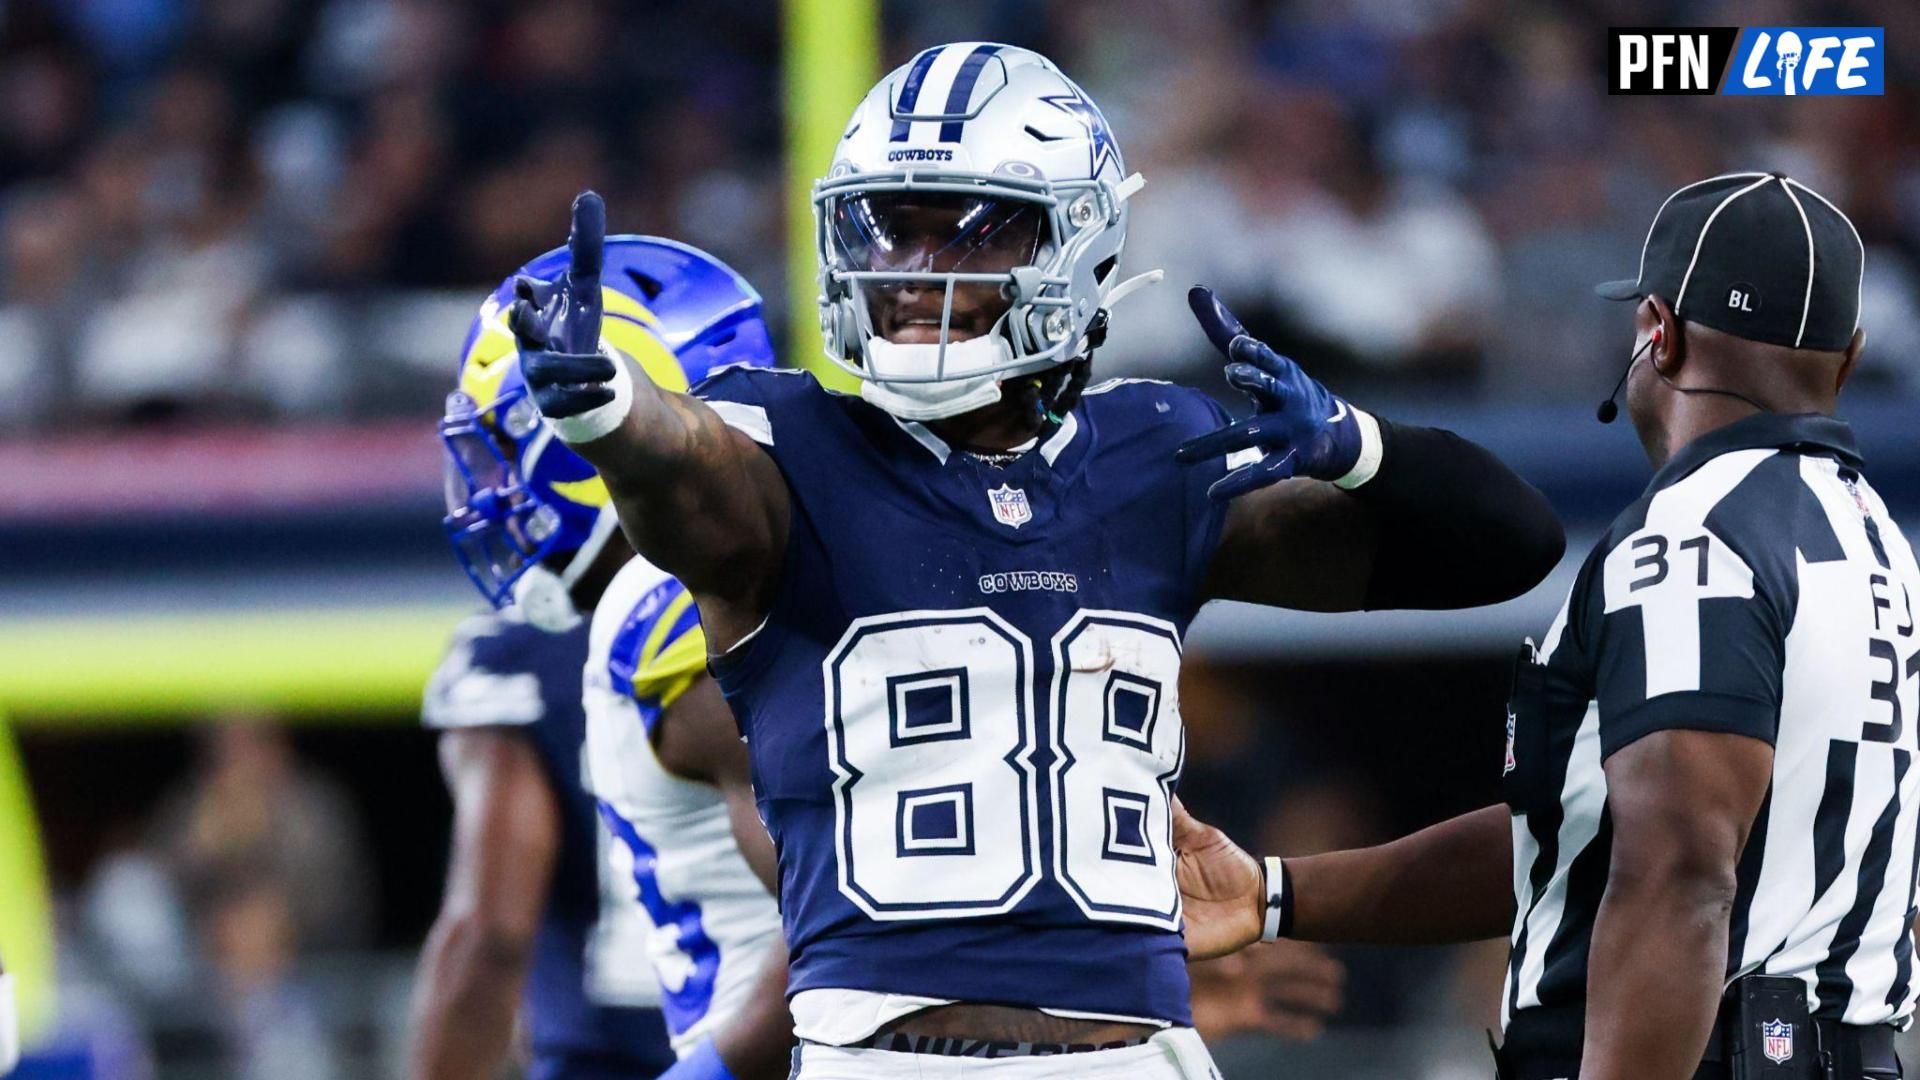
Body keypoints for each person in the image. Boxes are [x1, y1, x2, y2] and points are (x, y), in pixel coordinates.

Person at [512, 43, 1563, 1078]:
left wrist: (1361, 443)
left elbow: (1508, 547)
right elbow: (683, 467)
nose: (913, 272)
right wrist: (610, 409)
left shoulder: (1156, 461)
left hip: (1139, 1056)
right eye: (891, 231)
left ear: (1079, 247)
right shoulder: (784, 450)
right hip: (880, 1059)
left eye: (965, 235)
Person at [1170, 172, 1917, 1080]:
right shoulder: (1878, 541)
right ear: (1847, 356)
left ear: (1659, 331)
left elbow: (1679, 873)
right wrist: (1278, 893)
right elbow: (1584, 836)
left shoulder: (1694, 538)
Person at [413, 236, 788, 1080]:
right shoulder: (800, 582)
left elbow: (865, 914)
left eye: (512, 443)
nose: (491, 489)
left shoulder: (622, 634)